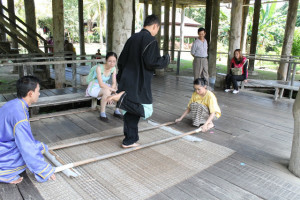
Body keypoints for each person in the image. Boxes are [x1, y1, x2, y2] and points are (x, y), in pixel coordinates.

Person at [107, 14, 170, 148]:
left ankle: (129, 140)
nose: (156, 32)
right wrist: (166, 60)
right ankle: (121, 98)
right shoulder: (150, 40)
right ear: (154, 26)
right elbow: (152, 62)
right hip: (139, 82)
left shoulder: (132, 38)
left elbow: (121, 61)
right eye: (157, 29)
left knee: (130, 112)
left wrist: (120, 79)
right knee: (146, 110)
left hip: (126, 79)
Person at [0, 76, 56, 184]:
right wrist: (44, 170)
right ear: (30, 93)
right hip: (2, 149)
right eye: (38, 91)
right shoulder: (19, 114)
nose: (39, 94)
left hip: (3, 142)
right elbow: (26, 146)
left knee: (37, 147)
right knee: (29, 152)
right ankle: (5, 174)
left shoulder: (13, 103)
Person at [86, 52, 123, 122]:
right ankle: (102, 114)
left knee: (118, 89)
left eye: (114, 61)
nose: (112, 63)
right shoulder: (99, 68)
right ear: (106, 60)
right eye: (109, 61)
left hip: (105, 87)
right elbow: (101, 84)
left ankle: (116, 110)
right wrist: (110, 92)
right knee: (107, 91)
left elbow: (114, 82)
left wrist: (113, 91)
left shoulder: (113, 69)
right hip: (94, 87)